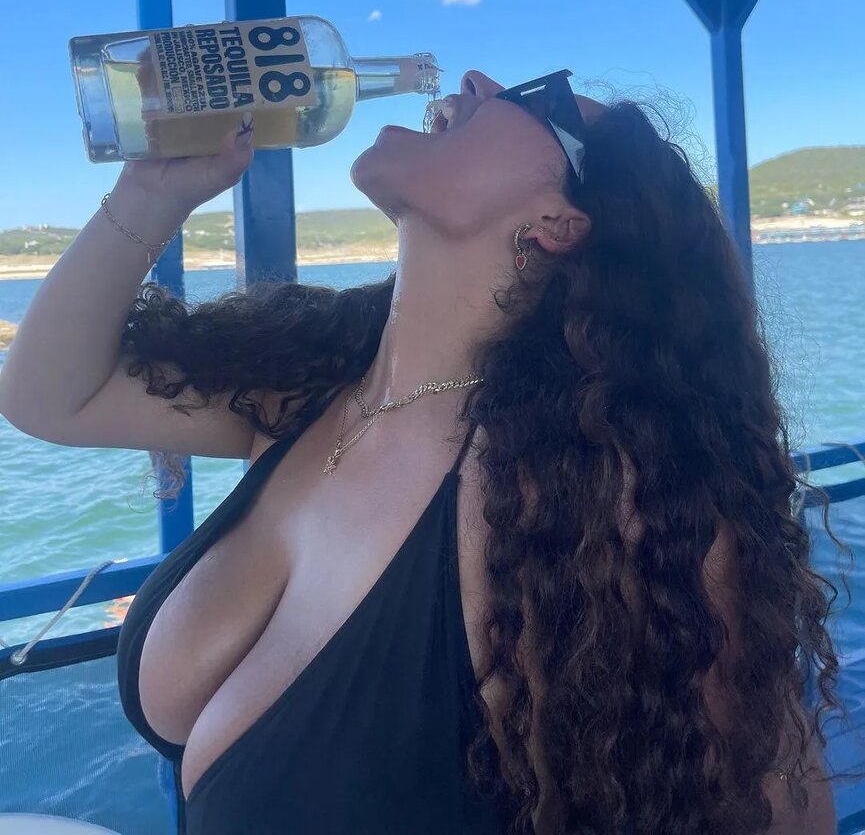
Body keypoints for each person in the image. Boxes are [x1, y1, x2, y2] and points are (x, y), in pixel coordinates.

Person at [0, 69, 842, 834]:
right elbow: (51, 397)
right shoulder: (308, 387)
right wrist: (153, 193)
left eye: (540, 100)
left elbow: (767, 804)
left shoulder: (586, 507)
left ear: (557, 223)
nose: (478, 79)